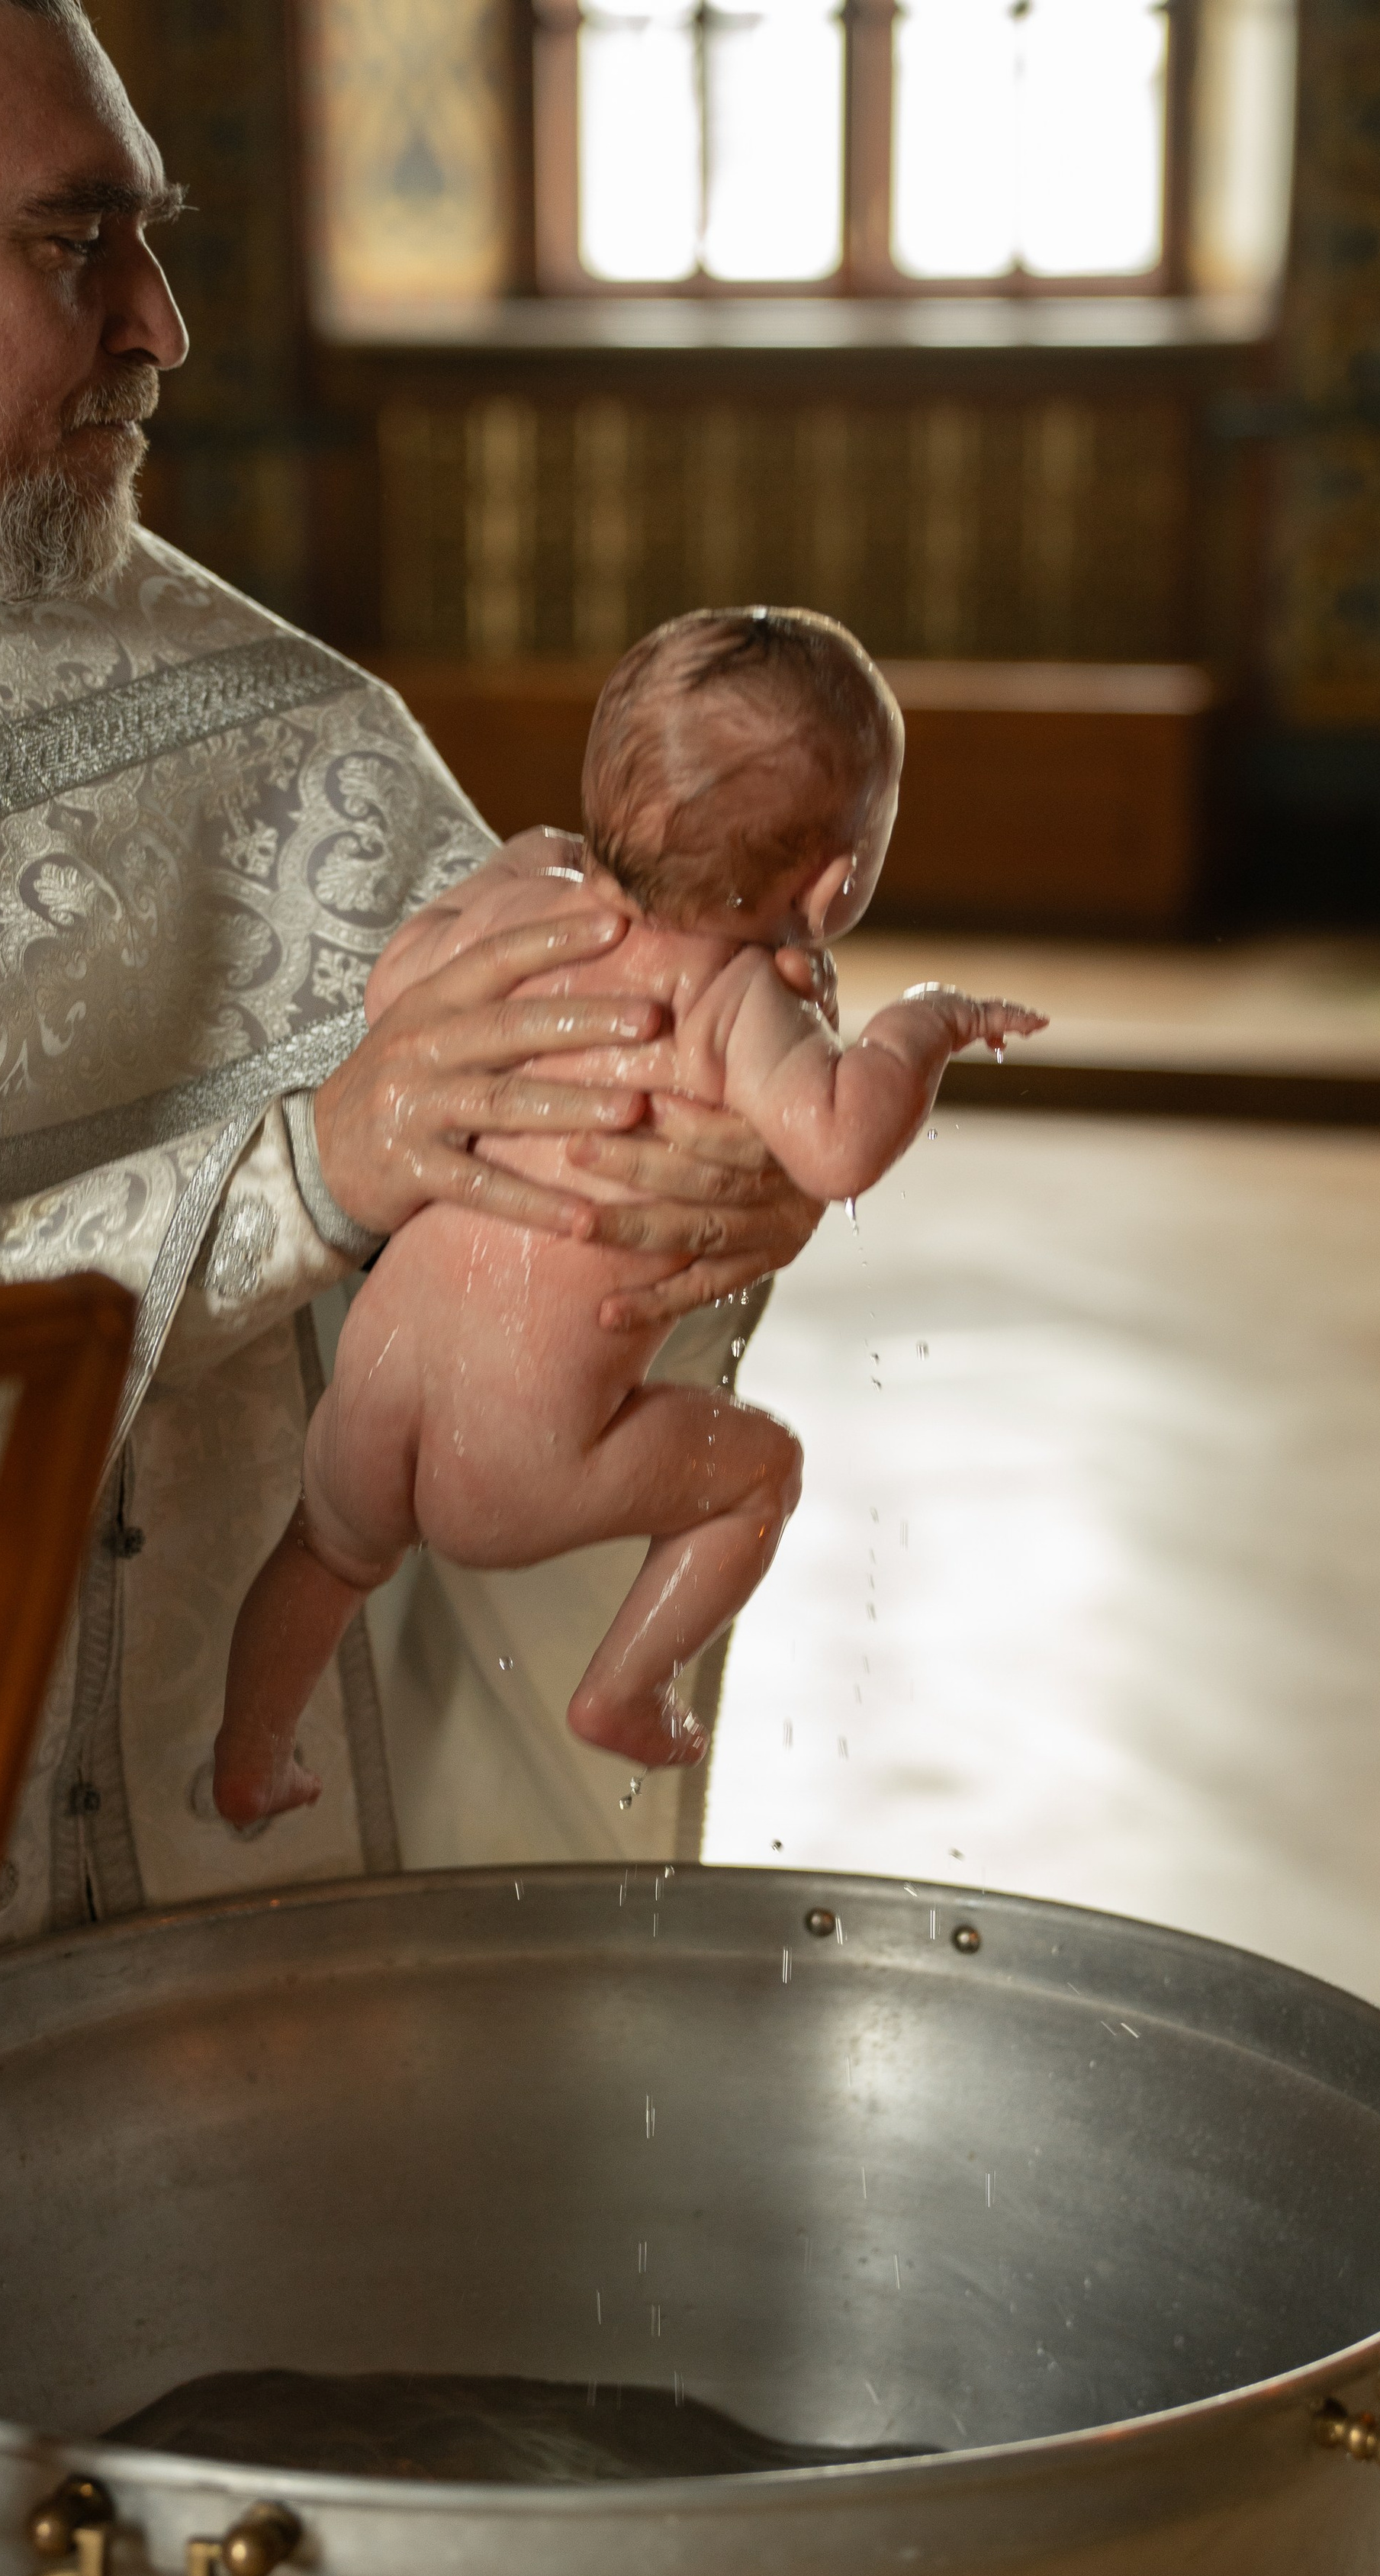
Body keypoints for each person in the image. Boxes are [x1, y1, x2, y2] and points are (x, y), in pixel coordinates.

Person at [0, 4, 820, 2576]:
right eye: (80, 239)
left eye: (154, 224)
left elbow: (491, 1299)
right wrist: (297, 1168)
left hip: (190, 1886)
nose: (168, 313)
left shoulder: (272, 724)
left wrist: (645, 1163)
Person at [214, 609, 1043, 1819]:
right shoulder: (734, 999)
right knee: (761, 1471)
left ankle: (247, 1753)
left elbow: (396, 984)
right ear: (833, 884)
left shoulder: (529, 914)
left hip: (374, 1381)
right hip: (517, 1465)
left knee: (324, 1555)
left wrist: (509, 870)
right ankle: (624, 1690)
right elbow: (840, 1147)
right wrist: (921, 1025)